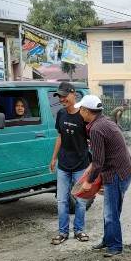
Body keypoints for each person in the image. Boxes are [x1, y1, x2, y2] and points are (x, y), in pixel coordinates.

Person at [76, 95, 131, 257]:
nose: (80, 112)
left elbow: (99, 161)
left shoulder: (96, 129)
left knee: (111, 212)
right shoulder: (105, 121)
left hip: (116, 173)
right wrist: (93, 170)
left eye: (81, 109)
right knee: (110, 210)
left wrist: (89, 182)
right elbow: (100, 158)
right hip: (123, 171)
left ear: (87, 111)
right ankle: (108, 240)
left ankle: (115, 246)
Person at [49, 82, 90, 245]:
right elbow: (60, 137)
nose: (62, 99)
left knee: (80, 200)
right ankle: (63, 232)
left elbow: (91, 138)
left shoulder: (83, 115)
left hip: (80, 165)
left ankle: (79, 230)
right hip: (63, 165)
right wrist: (53, 158)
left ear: (74, 95)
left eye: (65, 95)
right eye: (60, 96)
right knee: (62, 200)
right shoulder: (60, 114)